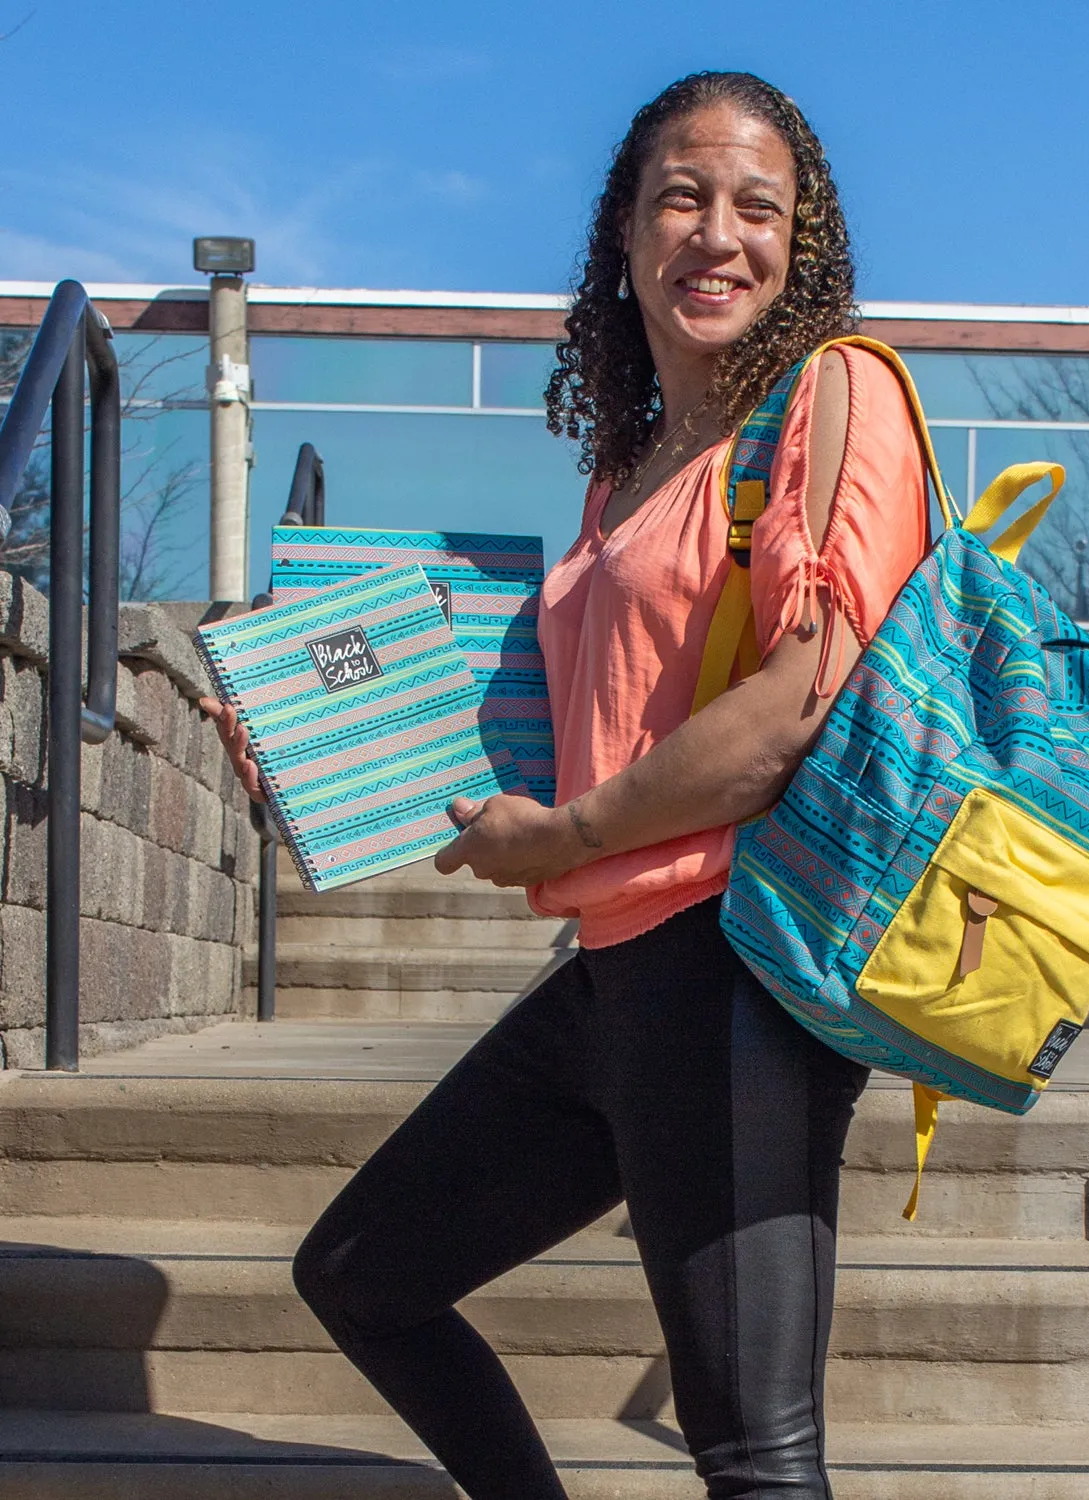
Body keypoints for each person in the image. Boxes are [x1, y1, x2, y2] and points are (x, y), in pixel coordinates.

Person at [203, 70, 928, 1500]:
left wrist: (582, 829)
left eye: (755, 206)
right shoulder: (627, 474)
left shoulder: (836, 395)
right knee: (364, 1274)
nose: (716, 234)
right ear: (625, 234)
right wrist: (312, 751)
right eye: (680, 196)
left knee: (756, 1454)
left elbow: (801, 702)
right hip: (607, 981)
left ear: (804, 243)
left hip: (739, 979)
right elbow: (555, 740)